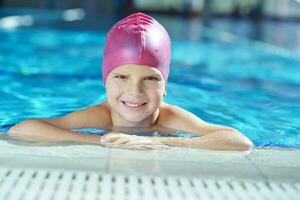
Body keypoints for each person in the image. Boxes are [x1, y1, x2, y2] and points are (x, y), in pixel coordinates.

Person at [8, 13, 253, 151]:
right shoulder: (99, 117)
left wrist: (154, 141)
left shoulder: (170, 118)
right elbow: (21, 129)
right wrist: (102, 140)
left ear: (165, 86)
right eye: (121, 76)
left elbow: (239, 141)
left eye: (150, 78)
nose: (134, 91)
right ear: (105, 81)